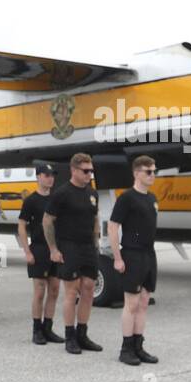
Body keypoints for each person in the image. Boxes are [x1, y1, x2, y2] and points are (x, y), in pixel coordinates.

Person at [44, 153, 103, 355]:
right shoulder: (62, 193)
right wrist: (53, 249)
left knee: (88, 288)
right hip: (68, 246)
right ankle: (69, 337)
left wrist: (96, 242)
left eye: (91, 171)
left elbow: (95, 218)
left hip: (88, 247)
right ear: (74, 170)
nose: (89, 174)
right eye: (86, 171)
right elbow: (47, 221)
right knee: (71, 291)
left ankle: (82, 334)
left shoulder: (93, 193)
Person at [109, 155, 160, 365]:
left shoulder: (152, 198)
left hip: (149, 254)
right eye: (149, 171)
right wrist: (117, 257)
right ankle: (126, 348)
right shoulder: (126, 198)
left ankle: (139, 346)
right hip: (132, 254)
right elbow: (113, 227)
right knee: (131, 303)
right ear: (137, 173)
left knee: (144, 302)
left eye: (154, 171)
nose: (153, 175)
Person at [16, 164, 65, 345]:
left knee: (54, 290)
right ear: (38, 177)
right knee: (39, 291)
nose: (50, 178)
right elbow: (21, 225)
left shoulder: (56, 199)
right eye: (46, 175)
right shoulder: (31, 200)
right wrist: (26, 251)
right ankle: (36, 330)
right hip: (38, 249)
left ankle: (48, 328)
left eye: (52, 175)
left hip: (56, 249)